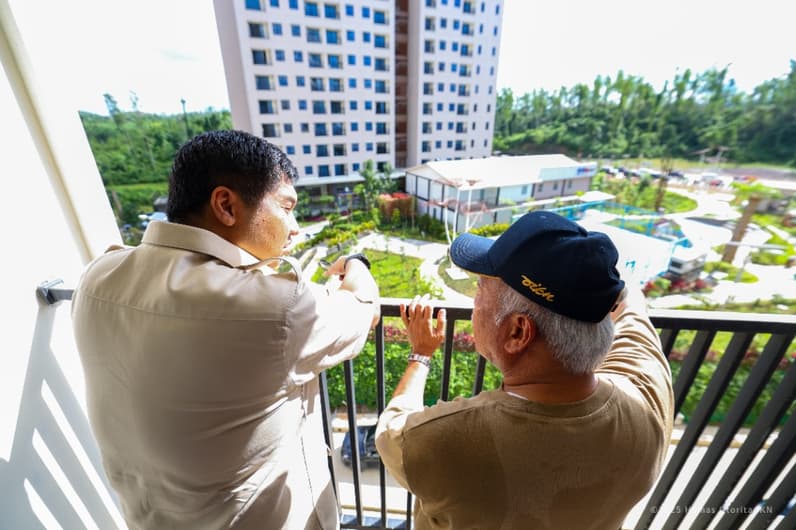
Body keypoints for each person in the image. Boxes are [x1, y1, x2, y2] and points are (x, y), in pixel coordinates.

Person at [71, 130, 379, 529]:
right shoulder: (274, 308)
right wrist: (356, 264)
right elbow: (363, 308)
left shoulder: (97, 276)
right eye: (287, 208)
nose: (295, 228)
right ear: (226, 205)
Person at [376, 211, 674, 530]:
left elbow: (390, 432)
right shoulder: (647, 400)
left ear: (518, 332)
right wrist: (591, 287)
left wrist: (420, 354)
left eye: (480, 287)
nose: (475, 299)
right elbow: (632, 308)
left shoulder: (444, 441)